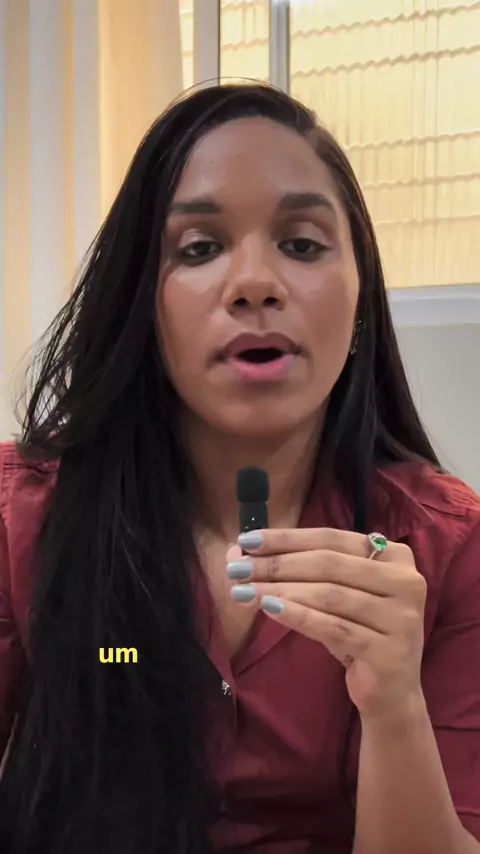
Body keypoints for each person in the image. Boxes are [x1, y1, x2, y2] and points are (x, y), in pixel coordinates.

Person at [0, 83, 479, 854]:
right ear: (142, 306)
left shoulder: (446, 546)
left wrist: (394, 706)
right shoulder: (21, 516)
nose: (255, 283)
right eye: (198, 249)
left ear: (360, 301)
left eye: (303, 244)